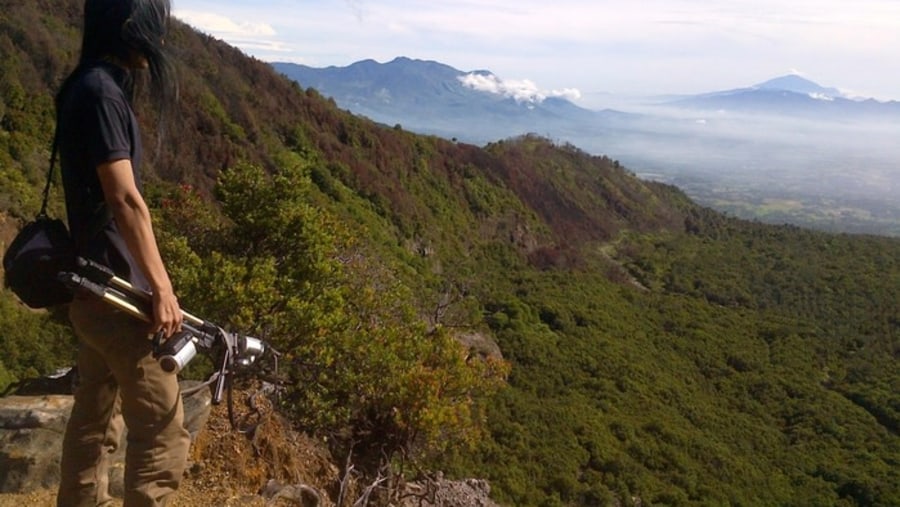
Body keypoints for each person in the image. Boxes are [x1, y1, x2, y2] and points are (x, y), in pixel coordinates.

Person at [55, 0, 190, 505]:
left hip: (91, 289)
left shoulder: (82, 85)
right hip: (118, 295)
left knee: (94, 417)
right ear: (131, 25)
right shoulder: (103, 94)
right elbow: (125, 197)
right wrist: (163, 288)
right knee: (161, 430)